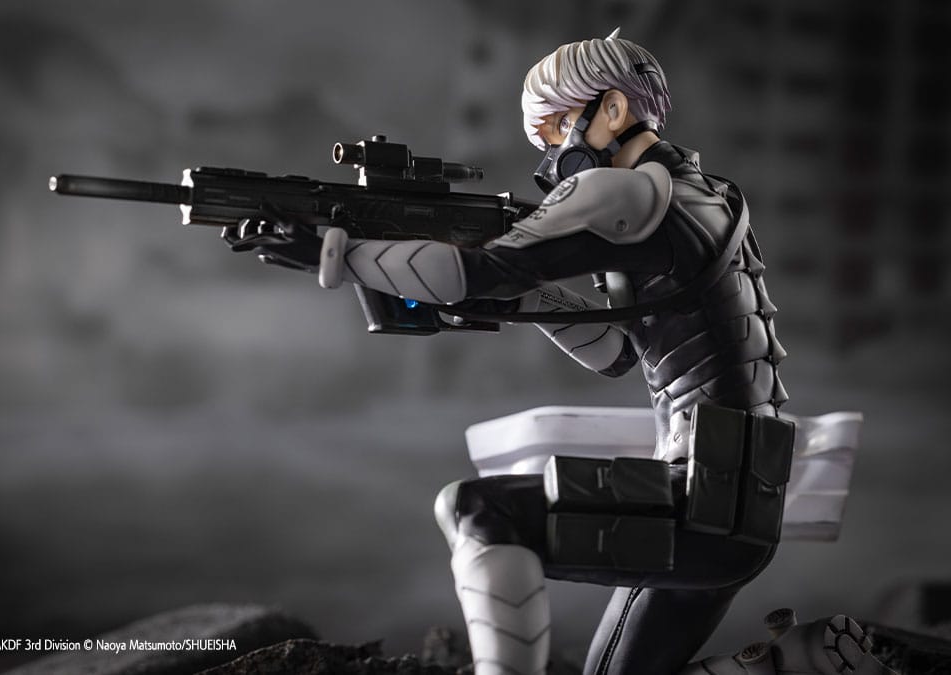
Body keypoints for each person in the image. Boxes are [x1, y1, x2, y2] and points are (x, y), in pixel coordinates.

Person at [225, 28, 891, 675]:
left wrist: (333, 252)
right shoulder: (710, 196)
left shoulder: (620, 190)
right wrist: (522, 291)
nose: (550, 156)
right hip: (743, 504)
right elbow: (615, 352)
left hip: (703, 497)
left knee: (476, 509)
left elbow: (476, 275)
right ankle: (800, 657)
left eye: (557, 128)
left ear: (614, 109)